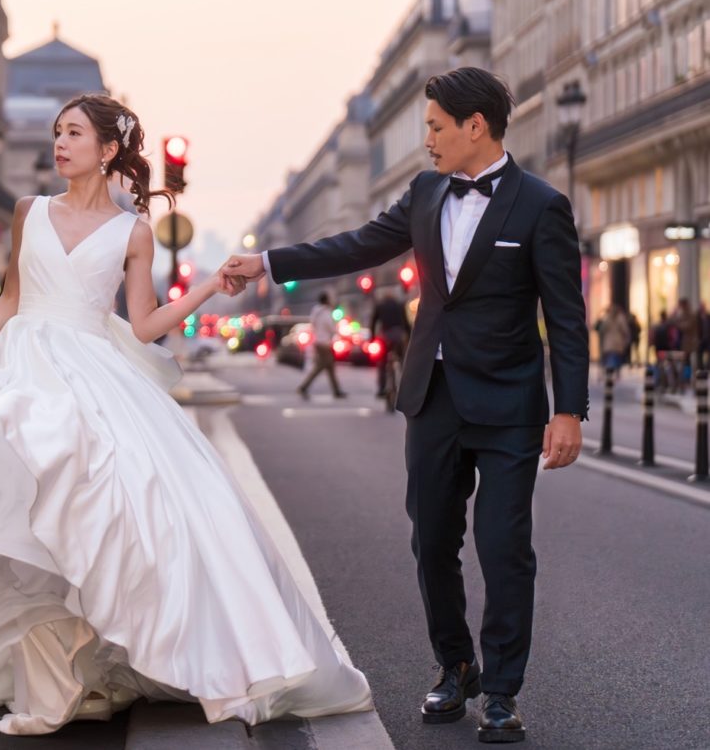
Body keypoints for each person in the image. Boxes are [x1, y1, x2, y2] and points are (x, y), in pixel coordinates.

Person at [0, 94, 371, 736]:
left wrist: (202, 290)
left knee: (97, 516)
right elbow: (11, 298)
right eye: (57, 133)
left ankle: (94, 662)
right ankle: (49, 672)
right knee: (20, 512)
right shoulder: (29, 212)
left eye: (74, 133)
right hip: (23, 365)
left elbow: (142, 326)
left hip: (93, 372)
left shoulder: (132, 232)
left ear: (108, 150)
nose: (59, 144)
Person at [225, 67, 588, 744]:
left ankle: (503, 692)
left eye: (434, 127)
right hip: (432, 398)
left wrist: (570, 409)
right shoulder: (424, 193)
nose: (425, 140)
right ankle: (456, 666)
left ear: (473, 126)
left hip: (509, 403)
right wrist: (269, 263)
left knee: (505, 546)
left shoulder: (541, 205)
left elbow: (567, 317)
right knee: (431, 541)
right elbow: (356, 244)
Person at [295, 291, 346, 399]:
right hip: (325, 344)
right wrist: (335, 331)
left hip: (318, 342)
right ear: (326, 300)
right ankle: (303, 387)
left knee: (330, 368)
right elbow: (332, 328)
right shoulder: (326, 313)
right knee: (320, 367)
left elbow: (313, 324)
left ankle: (337, 391)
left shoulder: (316, 311)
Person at [370, 288, 412, 398]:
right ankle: (407, 386)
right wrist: (410, 336)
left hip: (385, 336)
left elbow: (373, 322)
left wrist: (372, 338)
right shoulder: (399, 305)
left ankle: (382, 388)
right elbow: (406, 323)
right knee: (403, 360)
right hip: (398, 335)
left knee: (382, 363)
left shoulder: (380, 306)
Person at [598, 303, 631, 377]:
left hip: (608, 343)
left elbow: (602, 329)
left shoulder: (607, 318)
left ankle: (610, 373)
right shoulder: (621, 318)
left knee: (610, 358)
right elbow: (625, 330)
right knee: (616, 358)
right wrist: (626, 339)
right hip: (618, 343)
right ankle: (616, 373)